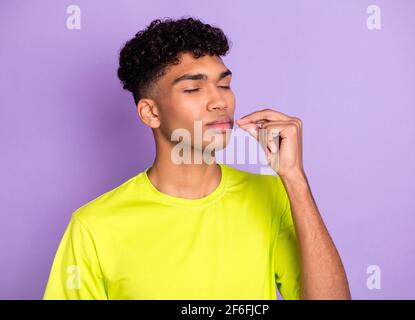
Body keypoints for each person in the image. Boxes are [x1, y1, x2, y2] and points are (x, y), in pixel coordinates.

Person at [43, 17, 350, 300]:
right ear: (150, 112)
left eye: (225, 85)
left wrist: (295, 179)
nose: (219, 101)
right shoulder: (93, 227)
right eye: (193, 88)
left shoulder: (272, 196)